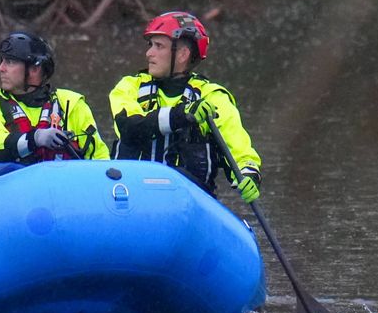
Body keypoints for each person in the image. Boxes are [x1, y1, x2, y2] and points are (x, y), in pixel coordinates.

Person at [108, 11, 262, 199]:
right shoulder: (129, 87)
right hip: (130, 197)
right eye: (150, 45)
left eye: (159, 46)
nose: (149, 53)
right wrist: (181, 116)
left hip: (188, 201)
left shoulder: (212, 97)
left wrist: (248, 175)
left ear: (182, 54)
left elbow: (240, 152)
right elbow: (130, 127)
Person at [0, 31, 109, 187]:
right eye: (2, 61)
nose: (0, 68)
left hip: (62, 190)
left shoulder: (71, 103)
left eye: (10, 62)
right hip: (9, 191)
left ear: (34, 69)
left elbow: (99, 157)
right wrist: (34, 139)